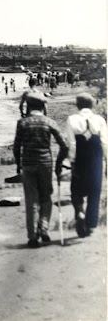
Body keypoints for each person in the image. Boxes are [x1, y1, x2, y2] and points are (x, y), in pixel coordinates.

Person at [13, 93, 68, 248]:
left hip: (28, 164)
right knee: (46, 197)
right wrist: (59, 164)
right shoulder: (49, 122)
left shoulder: (22, 123)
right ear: (43, 107)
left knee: (31, 200)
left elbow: (17, 147)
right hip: (45, 164)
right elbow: (64, 145)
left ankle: (32, 237)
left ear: (28, 106)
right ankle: (43, 229)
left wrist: (18, 164)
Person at [64, 93, 108, 238]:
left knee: (76, 188)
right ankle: (90, 224)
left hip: (80, 157)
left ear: (78, 105)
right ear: (92, 105)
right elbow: (105, 143)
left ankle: (79, 212)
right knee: (94, 191)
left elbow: (71, 143)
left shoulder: (71, 119)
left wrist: (72, 160)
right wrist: (107, 161)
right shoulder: (100, 120)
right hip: (96, 158)